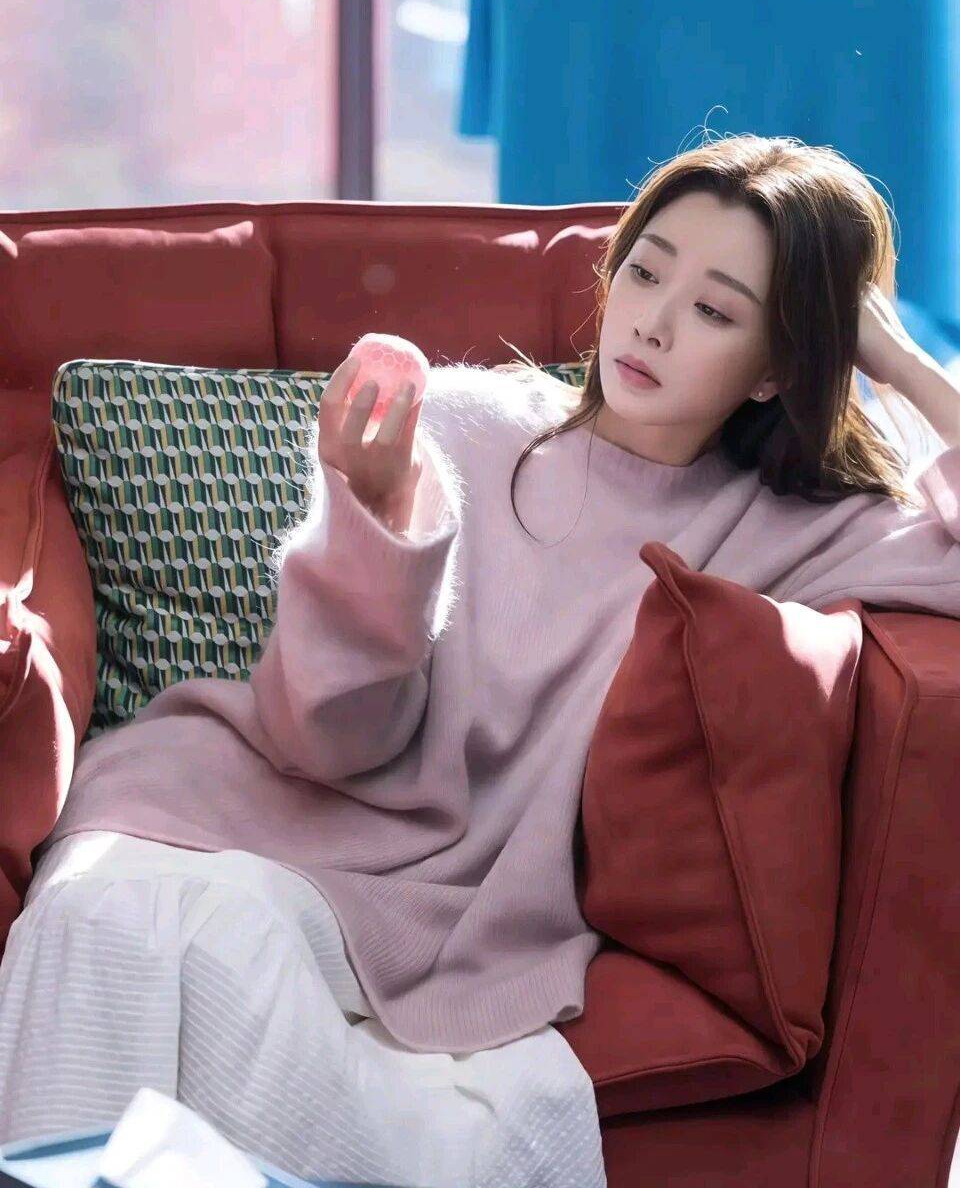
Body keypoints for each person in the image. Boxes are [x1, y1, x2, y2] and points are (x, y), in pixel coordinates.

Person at [2, 132, 960, 1188]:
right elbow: (327, 737)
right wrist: (373, 519)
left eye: (716, 311)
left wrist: (900, 362)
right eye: (646, 272)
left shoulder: (799, 531)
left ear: (777, 368)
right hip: (256, 800)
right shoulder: (464, 425)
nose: (652, 321)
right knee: (107, 920)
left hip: (472, 909)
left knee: (242, 980)